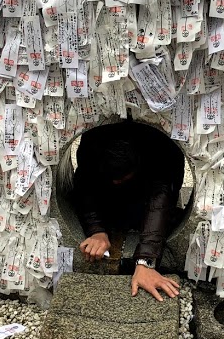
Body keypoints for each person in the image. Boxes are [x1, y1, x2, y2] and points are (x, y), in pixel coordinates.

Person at [72, 121, 185, 302]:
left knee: (159, 213)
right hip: (105, 184)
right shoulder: (93, 147)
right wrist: (96, 230)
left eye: (123, 178)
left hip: (150, 180)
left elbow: (160, 199)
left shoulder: (157, 153)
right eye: (112, 179)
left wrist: (145, 262)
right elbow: (84, 185)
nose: (117, 182)